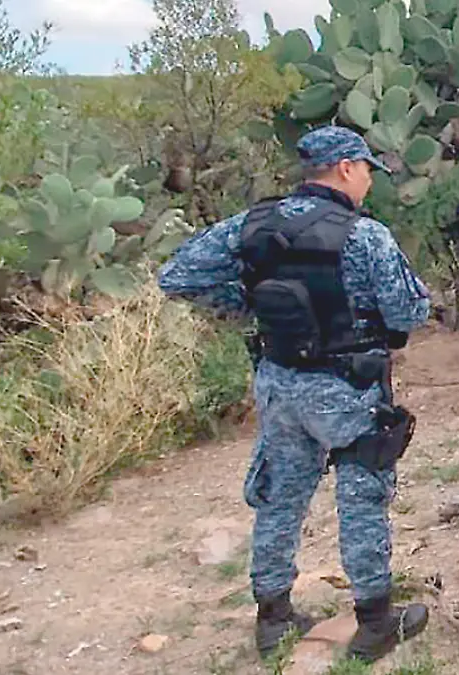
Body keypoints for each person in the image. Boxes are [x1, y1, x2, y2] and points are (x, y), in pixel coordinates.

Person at [156, 126, 432, 663]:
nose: (370, 180)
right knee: (361, 497)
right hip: (348, 387)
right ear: (347, 168)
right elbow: (408, 313)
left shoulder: (251, 225)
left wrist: (247, 306)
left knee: (280, 498)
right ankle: (375, 620)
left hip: (279, 382)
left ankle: (272, 616)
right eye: (367, 169)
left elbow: (178, 275)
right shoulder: (365, 235)